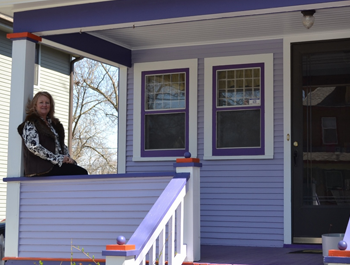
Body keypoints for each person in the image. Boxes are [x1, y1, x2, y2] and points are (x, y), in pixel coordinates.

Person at [17, 91, 88, 177]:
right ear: (35, 105)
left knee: (80, 172)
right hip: (41, 168)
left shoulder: (53, 125)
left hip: (54, 166)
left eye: (47, 103)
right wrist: (56, 158)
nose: (44, 105)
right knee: (80, 173)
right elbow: (33, 146)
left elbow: (61, 145)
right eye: (41, 102)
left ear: (51, 106)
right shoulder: (31, 123)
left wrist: (69, 160)